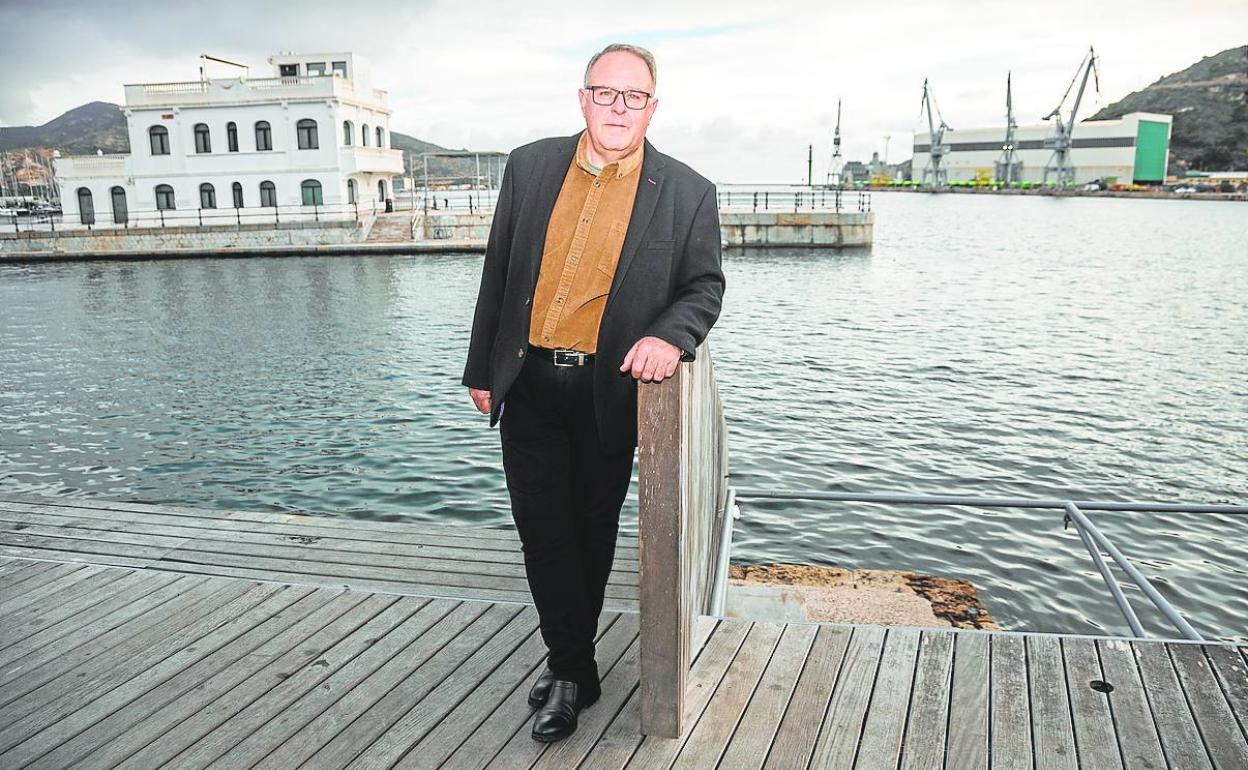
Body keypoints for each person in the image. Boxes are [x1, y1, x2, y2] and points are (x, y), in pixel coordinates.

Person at [462, 42, 724, 743]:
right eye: (605, 93)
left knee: (590, 529)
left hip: (609, 394)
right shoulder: (530, 166)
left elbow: (705, 287)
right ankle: (574, 669)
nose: (618, 107)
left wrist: (672, 336)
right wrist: (481, 370)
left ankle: (568, 662)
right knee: (543, 533)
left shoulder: (689, 191)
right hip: (531, 382)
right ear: (583, 98)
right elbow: (499, 271)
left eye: (633, 96)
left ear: (653, 107)